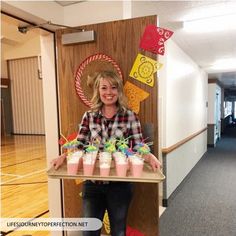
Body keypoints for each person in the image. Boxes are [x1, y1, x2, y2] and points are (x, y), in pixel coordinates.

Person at [52, 70, 161, 236]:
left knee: (118, 232)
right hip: (93, 184)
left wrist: (149, 155)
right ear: (98, 90)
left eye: (113, 87)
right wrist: (63, 156)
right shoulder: (89, 116)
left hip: (120, 185)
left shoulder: (130, 116)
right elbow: (79, 145)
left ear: (119, 91)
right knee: (89, 232)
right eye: (104, 88)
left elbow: (139, 146)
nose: (109, 92)